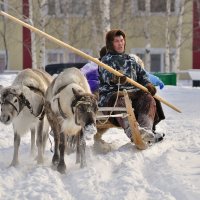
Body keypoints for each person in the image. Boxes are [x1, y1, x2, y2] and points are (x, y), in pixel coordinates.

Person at [99, 29, 164, 144]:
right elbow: (107, 76)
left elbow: (142, 76)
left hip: (133, 94)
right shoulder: (105, 61)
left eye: (122, 40)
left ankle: (145, 131)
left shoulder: (131, 60)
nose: (120, 43)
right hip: (113, 96)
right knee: (122, 99)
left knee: (148, 98)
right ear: (110, 44)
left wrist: (147, 84)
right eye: (117, 41)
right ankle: (133, 132)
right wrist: (115, 78)